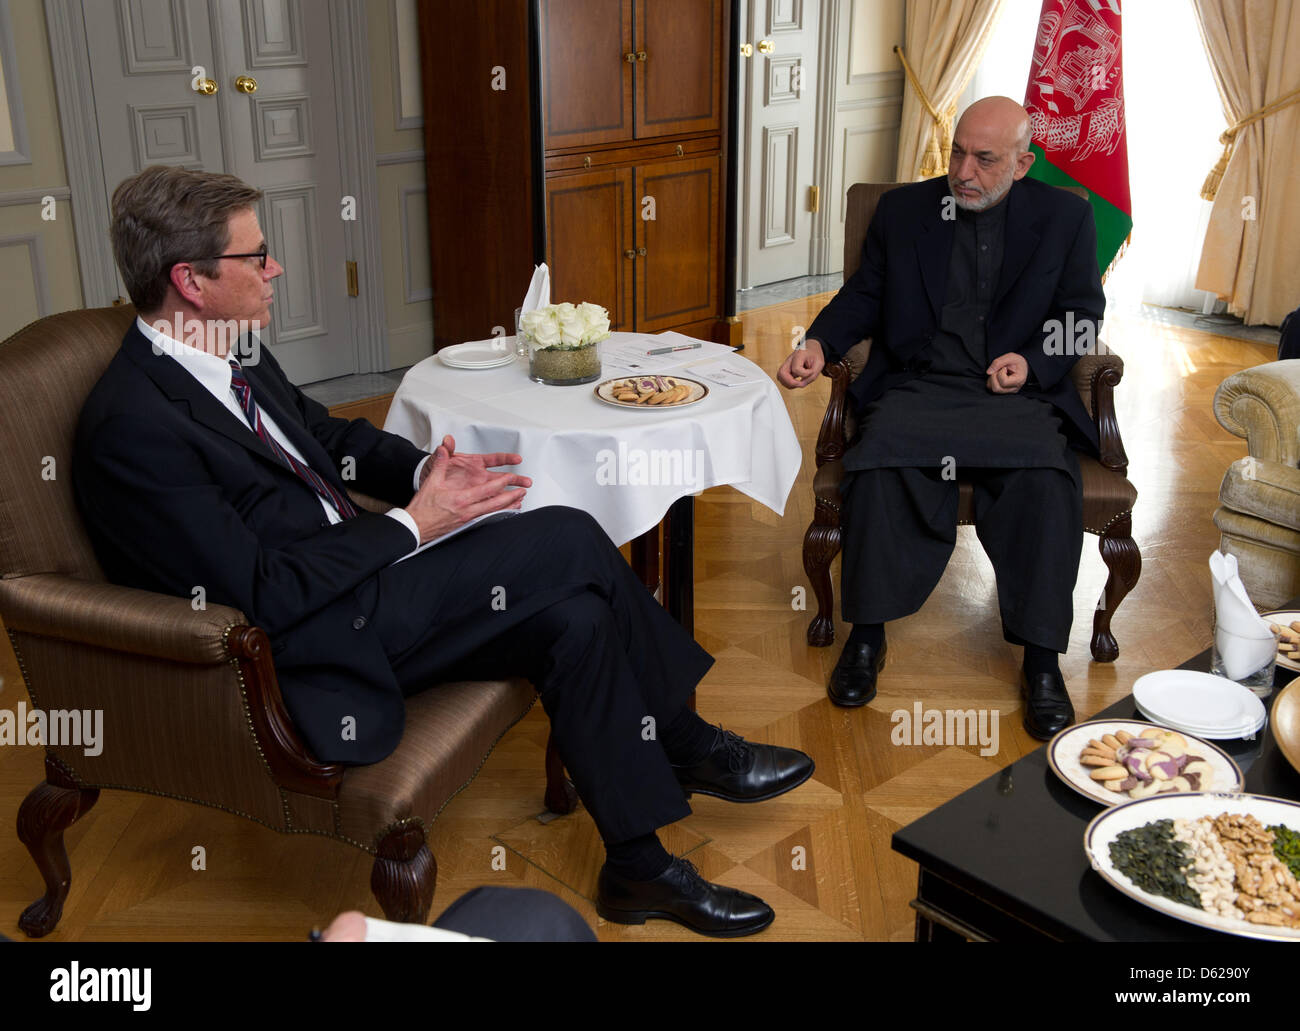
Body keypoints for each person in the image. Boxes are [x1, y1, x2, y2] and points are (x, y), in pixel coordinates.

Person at [73, 165, 815, 938]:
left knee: (576, 617)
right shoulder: (133, 428)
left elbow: (326, 437)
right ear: (190, 281)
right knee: (563, 531)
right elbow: (260, 591)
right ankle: (686, 739)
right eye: (257, 257)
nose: (276, 268)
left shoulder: (230, 346)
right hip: (309, 645)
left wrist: (424, 470)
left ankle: (639, 866)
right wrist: (411, 525)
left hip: (364, 585)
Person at [778, 96, 1106, 740]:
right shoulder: (905, 211)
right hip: (920, 389)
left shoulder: (1064, 215)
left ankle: (1042, 663)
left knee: (1044, 482)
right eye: (958, 152)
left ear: (1022, 162)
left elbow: (1084, 316)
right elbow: (865, 295)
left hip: (1014, 398)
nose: (964, 171)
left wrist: (1034, 362)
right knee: (878, 468)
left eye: (985, 160)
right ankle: (866, 638)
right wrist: (820, 344)